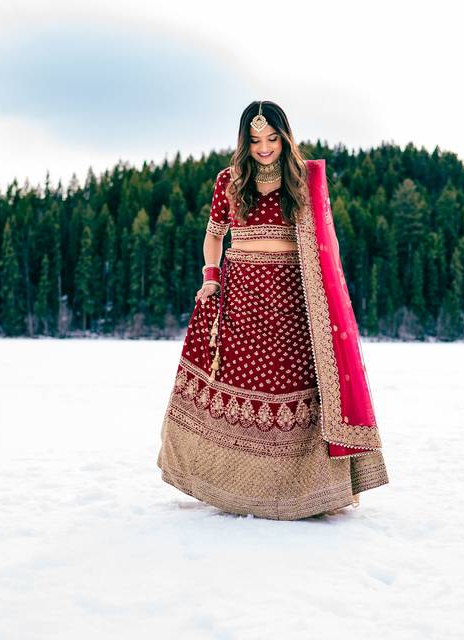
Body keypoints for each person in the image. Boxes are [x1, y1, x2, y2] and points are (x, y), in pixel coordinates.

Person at [156, 100, 389, 520]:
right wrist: (211, 277)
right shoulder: (229, 181)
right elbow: (213, 238)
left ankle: (303, 492)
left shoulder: (301, 181)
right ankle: (230, 486)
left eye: (272, 138)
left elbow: (322, 247)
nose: (264, 148)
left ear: (285, 137)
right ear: (244, 141)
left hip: (289, 299)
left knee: (290, 386)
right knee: (237, 381)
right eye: (256, 140)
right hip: (241, 295)